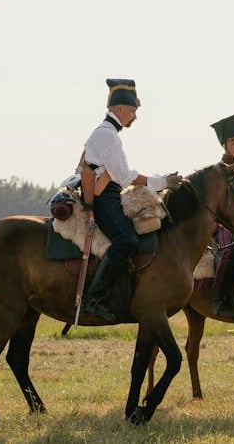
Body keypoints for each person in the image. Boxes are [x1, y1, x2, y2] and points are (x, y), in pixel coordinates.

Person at [72, 78, 184, 320]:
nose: (134, 116)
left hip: (110, 195)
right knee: (127, 242)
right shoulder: (108, 135)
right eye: (132, 111)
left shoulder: (108, 134)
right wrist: (163, 182)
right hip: (105, 200)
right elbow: (125, 177)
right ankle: (93, 298)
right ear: (120, 109)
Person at [207, 114, 234, 319]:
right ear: (225, 145)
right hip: (221, 226)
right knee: (232, 252)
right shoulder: (220, 171)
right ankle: (218, 298)